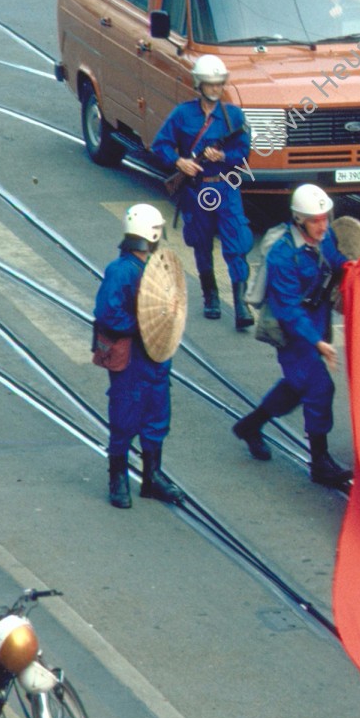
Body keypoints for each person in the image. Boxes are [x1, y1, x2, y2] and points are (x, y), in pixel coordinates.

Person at [229, 185, 354, 491]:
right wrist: (317, 342)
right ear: (299, 220)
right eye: (315, 220)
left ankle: (250, 426)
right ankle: (320, 462)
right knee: (319, 387)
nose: (323, 225)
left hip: (316, 321)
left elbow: (335, 258)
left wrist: (354, 267)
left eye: (325, 218)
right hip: (293, 332)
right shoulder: (283, 256)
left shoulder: (325, 238)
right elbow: (287, 309)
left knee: (297, 387)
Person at [94, 204, 189, 510]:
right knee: (125, 415)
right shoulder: (120, 271)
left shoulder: (154, 266)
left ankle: (152, 476)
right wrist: (143, 326)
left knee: (156, 415)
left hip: (157, 355)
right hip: (133, 355)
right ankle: (117, 477)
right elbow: (108, 314)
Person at [151, 55, 253, 329]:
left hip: (225, 186)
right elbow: (160, 145)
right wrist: (179, 162)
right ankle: (211, 297)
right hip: (196, 190)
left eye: (219, 83)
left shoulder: (233, 116)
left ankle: (241, 305)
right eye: (210, 84)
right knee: (201, 243)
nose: (215, 88)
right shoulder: (182, 114)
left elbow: (243, 151)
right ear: (199, 84)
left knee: (236, 244)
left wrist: (223, 156)